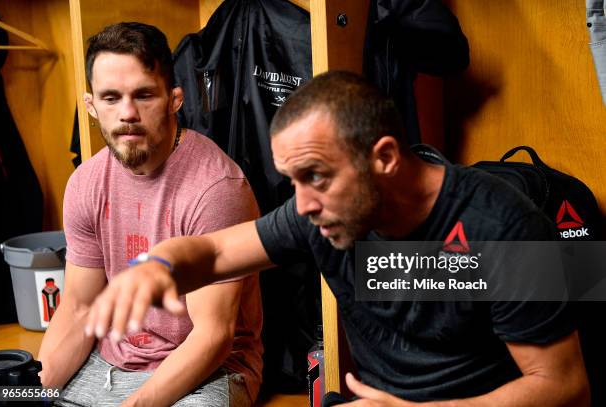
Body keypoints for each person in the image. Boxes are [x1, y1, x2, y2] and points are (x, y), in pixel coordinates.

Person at [85, 71, 590, 406]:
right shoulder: (323, 213)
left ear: (385, 158)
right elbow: (216, 250)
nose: (302, 203)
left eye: (317, 176)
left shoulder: (503, 227)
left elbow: (564, 386)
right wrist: (161, 264)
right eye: (293, 180)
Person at [37, 22, 263, 407]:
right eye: (110, 98)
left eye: (143, 95)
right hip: (109, 365)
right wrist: (26, 392)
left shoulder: (215, 188)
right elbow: (78, 308)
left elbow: (213, 336)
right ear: (90, 106)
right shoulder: (85, 184)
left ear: (175, 99)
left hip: (207, 373)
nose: (127, 113)